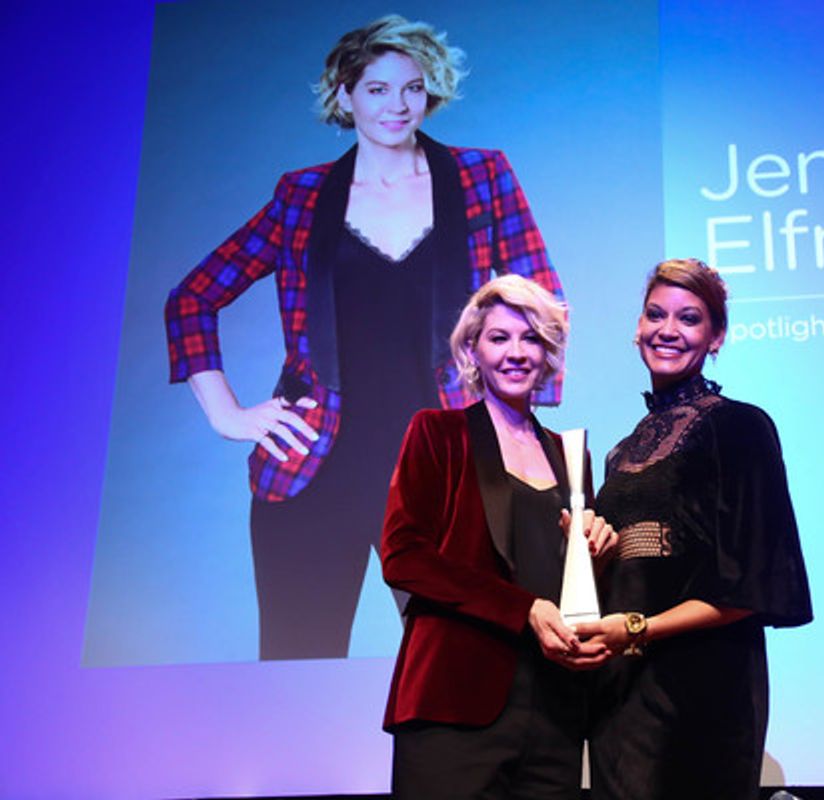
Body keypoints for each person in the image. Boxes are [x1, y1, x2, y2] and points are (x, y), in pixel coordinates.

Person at [163, 15, 563, 660]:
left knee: (470, 659)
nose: (396, 105)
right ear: (345, 95)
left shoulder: (481, 177)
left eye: (412, 88)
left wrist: (514, 428)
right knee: (298, 662)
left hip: (445, 466)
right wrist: (228, 415)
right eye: (376, 89)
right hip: (314, 472)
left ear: (430, 94)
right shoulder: (302, 195)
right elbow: (193, 298)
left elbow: (543, 305)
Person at [573, 258, 813, 800]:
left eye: (689, 318)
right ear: (637, 328)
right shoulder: (621, 450)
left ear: (717, 337)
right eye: (655, 314)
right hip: (623, 695)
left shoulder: (740, 427)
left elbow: (752, 588)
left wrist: (635, 629)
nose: (667, 330)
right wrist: (589, 554)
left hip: (702, 693)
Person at [381, 275, 616, 799]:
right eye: (499, 337)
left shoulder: (569, 454)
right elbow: (403, 557)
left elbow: (571, 587)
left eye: (531, 338)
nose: (516, 353)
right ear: (472, 349)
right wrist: (524, 608)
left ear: (549, 352)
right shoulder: (437, 434)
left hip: (553, 709)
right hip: (454, 704)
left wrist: (597, 553)